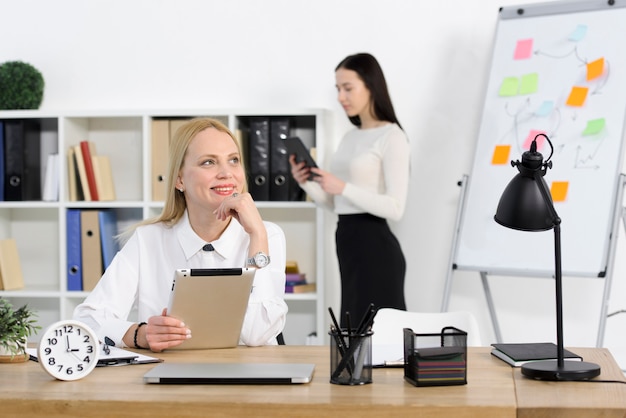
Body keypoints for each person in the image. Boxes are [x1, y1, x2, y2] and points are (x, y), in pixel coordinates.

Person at [74, 117, 288, 352]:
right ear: (179, 179)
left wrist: (256, 235)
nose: (227, 173)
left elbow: (258, 334)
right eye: (209, 162)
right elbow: (87, 321)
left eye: (233, 160)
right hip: (169, 378)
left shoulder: (267, 235)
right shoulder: (148, 240)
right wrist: (140, 335)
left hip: (249, 381)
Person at [290, 52, 410, 327]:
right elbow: (337, 205)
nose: (341, 97)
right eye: (337, 89)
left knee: (378, 340)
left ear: (370, 86)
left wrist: (343, 187)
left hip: (375, 248)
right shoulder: (350, 137)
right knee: (352, 334)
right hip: (347, 241)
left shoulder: (392, 136)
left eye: (348, 88)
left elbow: (396, 208)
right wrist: (306, 181)